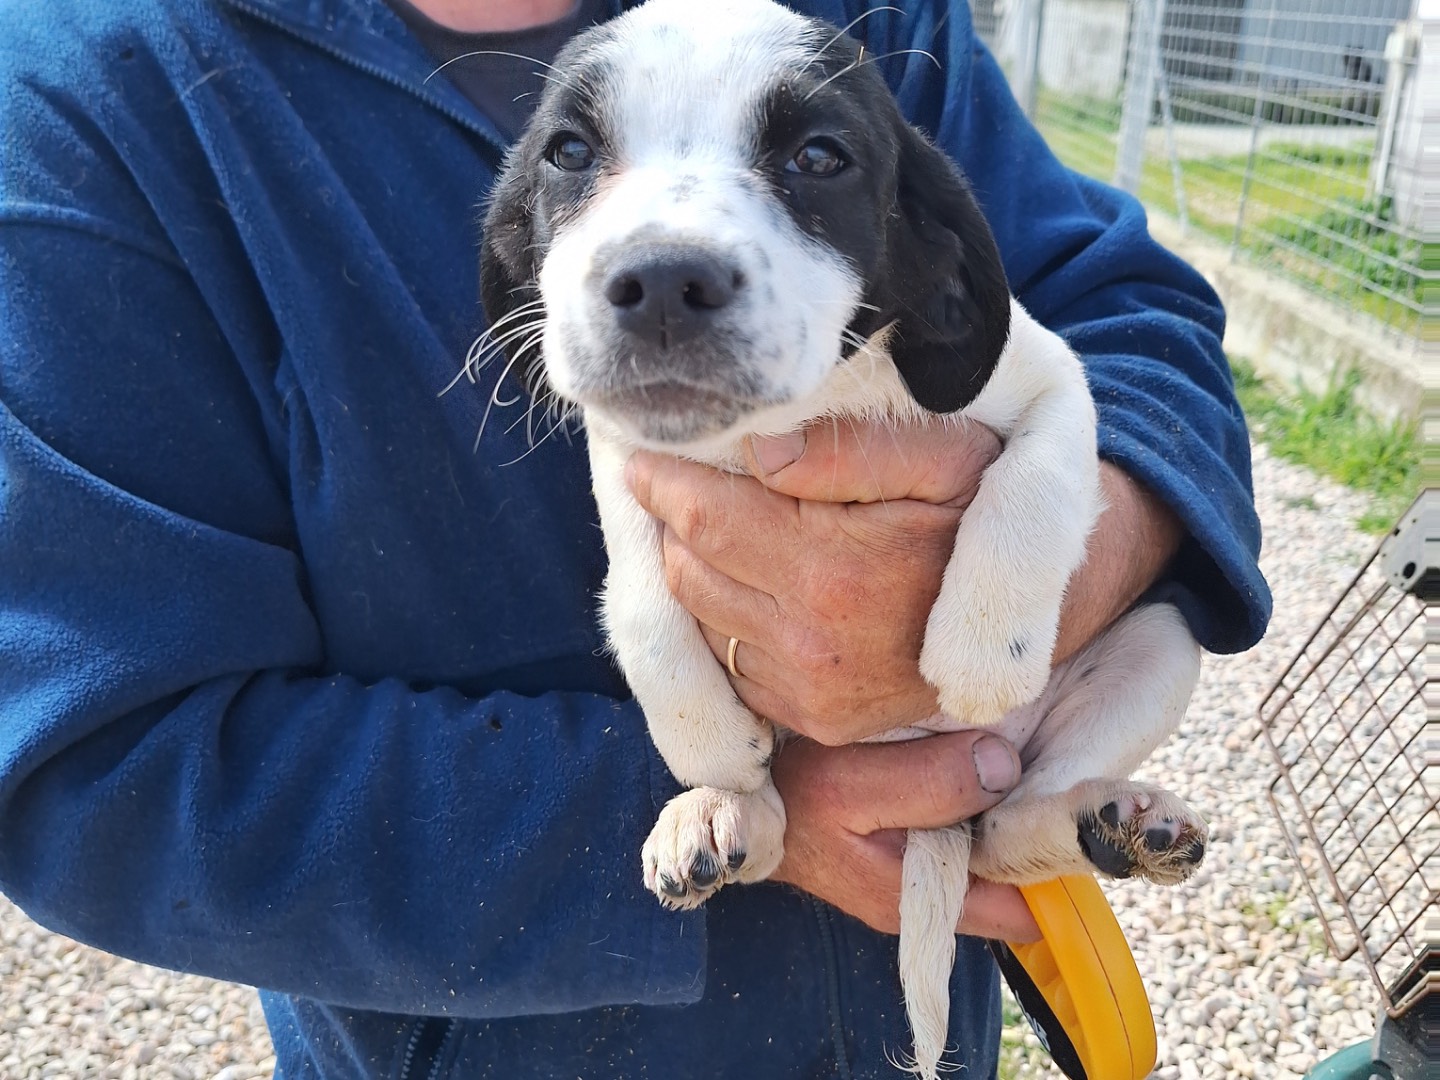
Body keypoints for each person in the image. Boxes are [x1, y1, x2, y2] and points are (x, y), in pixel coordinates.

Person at [0, 0, 1272, 1076]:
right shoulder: (86, 94)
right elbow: (92, 769)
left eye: (813, 162)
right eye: (577, 165)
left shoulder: (874, 22)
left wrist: (1056, 565)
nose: (668, 267)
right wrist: (745, 813)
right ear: (515, 251)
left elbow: (1128, 314)